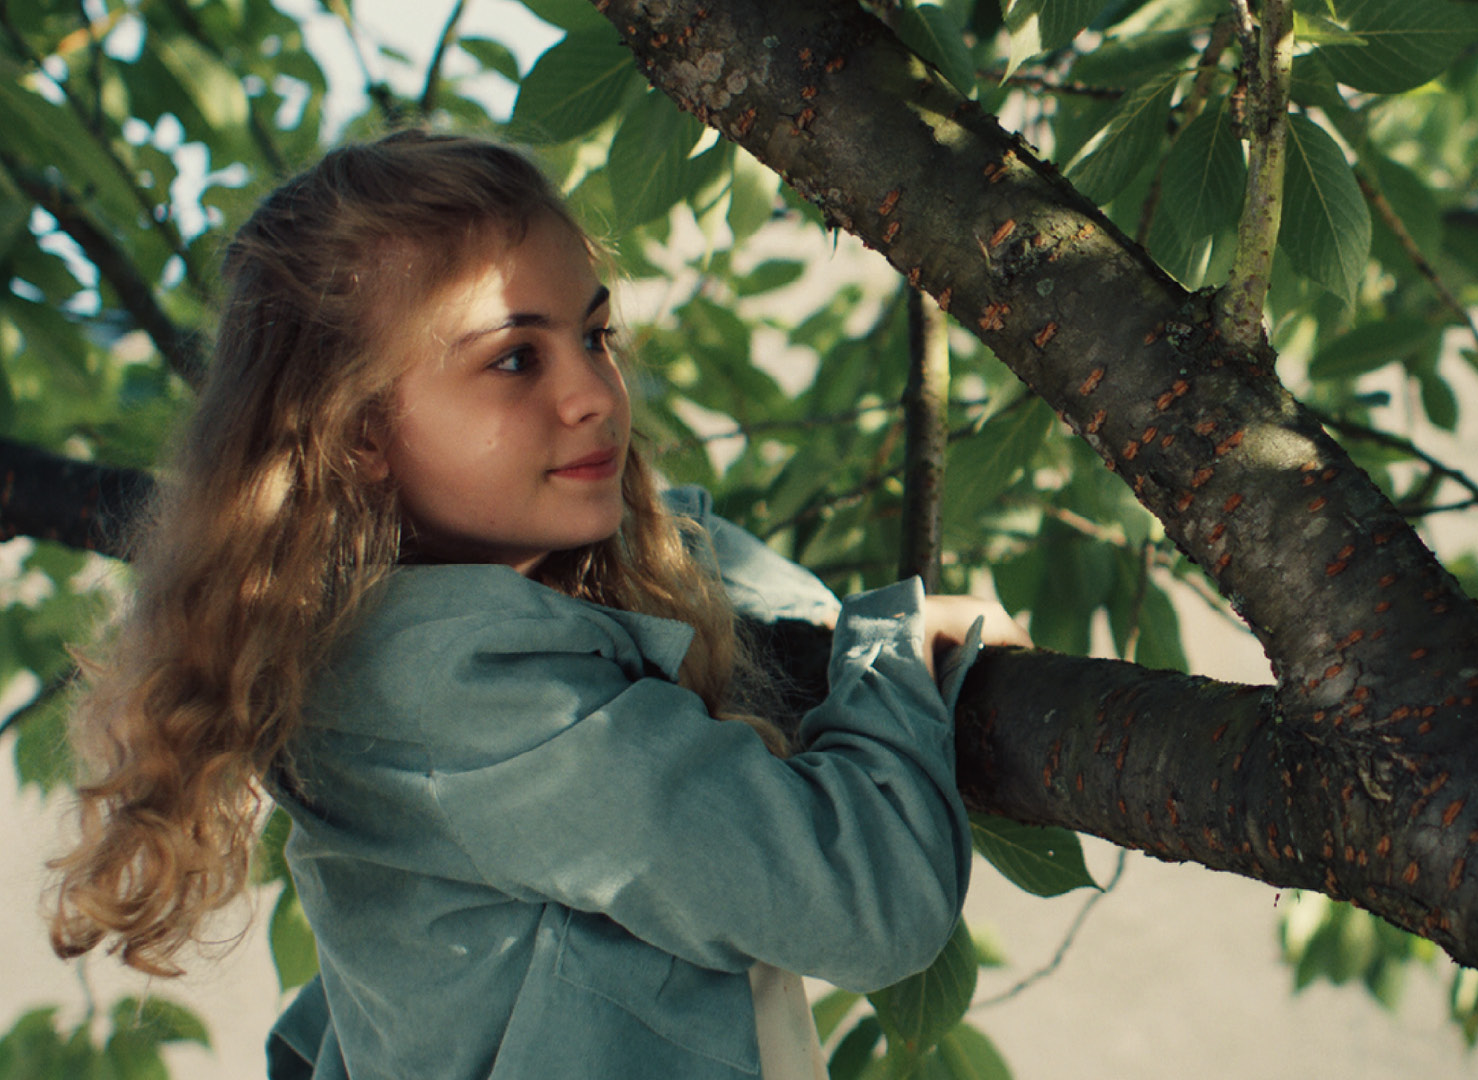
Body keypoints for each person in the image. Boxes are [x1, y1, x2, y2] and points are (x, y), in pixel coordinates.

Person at [45, 130, 1029, 1079]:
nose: (595, 393)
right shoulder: (455, 690)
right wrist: (890, 659)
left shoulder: (433, 629)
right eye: (516, 358)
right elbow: (863, 900)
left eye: (594, 335)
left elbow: (762, 625)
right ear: (358, 437)